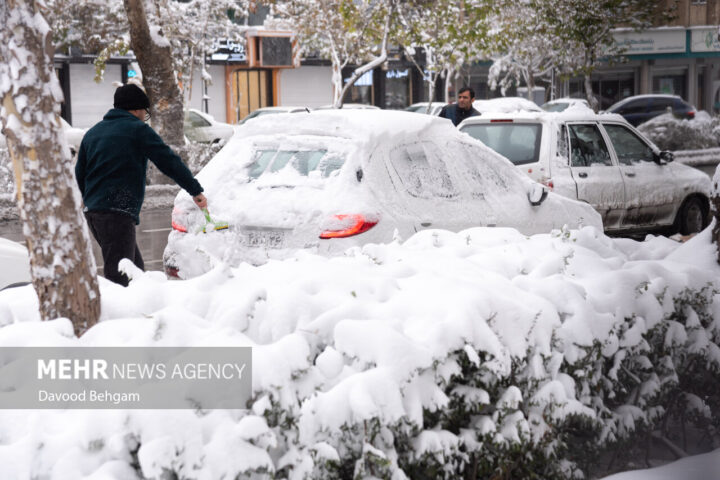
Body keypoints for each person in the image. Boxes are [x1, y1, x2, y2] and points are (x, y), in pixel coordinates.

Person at [75, 83, 208, 286]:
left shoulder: (93, 133)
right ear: (136, 109)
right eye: (144, 111)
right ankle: (120, 315)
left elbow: (79, 172)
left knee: (134, 270)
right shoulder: (137, 130)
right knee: (121, 275)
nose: (144, 116)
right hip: (117, 210)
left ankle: (141, 307)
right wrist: (195, 190)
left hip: (94, 212)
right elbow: (168, 161)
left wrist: (90, 199)